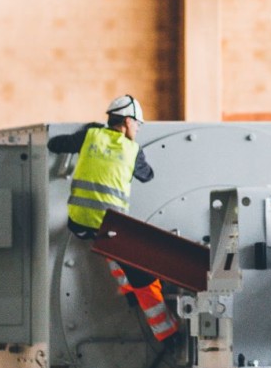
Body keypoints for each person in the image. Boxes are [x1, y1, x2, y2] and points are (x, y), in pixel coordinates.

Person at [48, 94, 176, 342]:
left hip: (78, 223)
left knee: (112, 242)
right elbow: (147, 175)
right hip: (107, 229)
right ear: (128, 122)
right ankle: (167, 331)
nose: (138, 129)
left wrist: (86, 136)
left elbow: (55, 145)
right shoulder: (133, 150)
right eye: (138, 124)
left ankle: (127, 290)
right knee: (143, 269)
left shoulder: (90, 135)